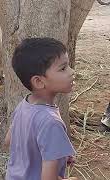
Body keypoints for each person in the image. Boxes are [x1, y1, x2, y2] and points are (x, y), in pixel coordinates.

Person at [5, 37, 77, 180]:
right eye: (63, 68)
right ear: (38, 81)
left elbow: (9, 140)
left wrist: (58, 152)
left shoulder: (24, 105)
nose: (71, 72)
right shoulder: (51, 122)